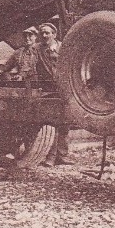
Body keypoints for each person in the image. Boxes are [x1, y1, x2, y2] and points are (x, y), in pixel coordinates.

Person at [36, 23, 73, 166]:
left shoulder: (63, 48)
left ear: (54, 34)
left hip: (64, 88)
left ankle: (62, 156)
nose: (44, 36)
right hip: (48, 90)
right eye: (42, 33)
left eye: (47, 33)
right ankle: (51, 157)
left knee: (65, 123)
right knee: (54, 123)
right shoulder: (38, 49)